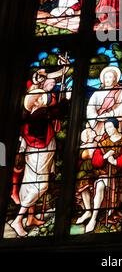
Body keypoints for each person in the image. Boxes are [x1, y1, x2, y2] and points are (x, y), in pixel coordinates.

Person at [10, 88, 69, 237]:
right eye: (42, 97)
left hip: (37, 155)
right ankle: (18, 220)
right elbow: (58, 112)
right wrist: (66, 100)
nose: (45, 99)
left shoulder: (35, 115)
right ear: (36, 101)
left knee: (30, 185)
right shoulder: (40, 114)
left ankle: (30, 218)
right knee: (41, 186)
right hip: (39, 156)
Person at [76, 118, 122, 233]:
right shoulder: (103, 142)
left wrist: (115, 162)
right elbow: (96, 160)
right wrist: (105, 157)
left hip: (119, 175)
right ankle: (93, 218)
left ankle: (100, 214)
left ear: (116, 127)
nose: (108, 130)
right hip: (104, 174)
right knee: (98, 186)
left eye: (110, 127)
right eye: (106, 128)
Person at [86, 66, 122, 137]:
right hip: (98, 124)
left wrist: (110, 114)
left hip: (115, 122)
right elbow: (90, 108)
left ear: (114, 78)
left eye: (110, 77)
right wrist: (96, 117)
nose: (107, 79)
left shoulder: (121, 91)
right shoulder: (97, 93)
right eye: (105, 77)